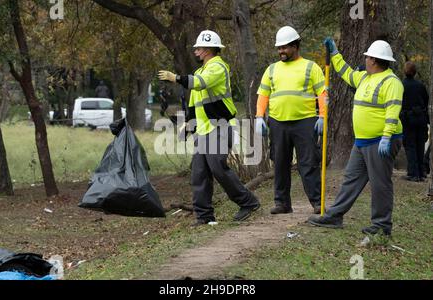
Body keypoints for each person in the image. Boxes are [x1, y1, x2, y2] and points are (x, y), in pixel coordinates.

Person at [158, 30, 260, 226]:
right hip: (204, 130)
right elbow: (195, 103)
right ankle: (204, 216)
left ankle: (248, 202)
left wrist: (176, 78)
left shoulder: (218, 68)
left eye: (199, 48)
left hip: (220, 127)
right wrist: (189, 124)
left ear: (208, 49)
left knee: (218, 169)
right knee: (199, 173)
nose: (196, 51)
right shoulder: (200, 71)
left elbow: (199, 85)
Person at [308, 38, 404, 236]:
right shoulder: (364, 78)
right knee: (351, 179)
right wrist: (334, 53)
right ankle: (335, 216)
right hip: (362, 141)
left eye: (367, 56)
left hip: (380, 141)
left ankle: (381, 225)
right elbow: (346, 73)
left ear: (374, 60)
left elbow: (392, 111)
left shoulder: (391, 82)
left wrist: (386, 137)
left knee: (380, 183)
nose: (365, 59)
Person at [255, 26, 327, 215]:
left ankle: (317, 202)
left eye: (285, 47)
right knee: (280, 164)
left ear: (295, 46)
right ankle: (282, 203)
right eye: (279, 48)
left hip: (305, 121)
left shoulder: (311, 67)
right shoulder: (271, 70)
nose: (281, 51)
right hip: (278, 123)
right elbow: (263, 95)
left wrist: (322, 116)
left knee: (308, 163)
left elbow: (322, 93)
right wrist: (259, 117)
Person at [400, 61, 429, 182]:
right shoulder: (420, 85)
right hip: (421, 118)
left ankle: (413, 173)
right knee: (420, 144)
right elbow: (426, 100)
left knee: (410, 145)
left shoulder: (401, 85)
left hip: (408, 118)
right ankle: (422, 173)